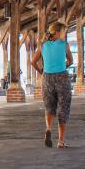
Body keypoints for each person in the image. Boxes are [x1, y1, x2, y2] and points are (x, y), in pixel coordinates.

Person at [31, 21, 73, 149]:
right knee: (63, 108)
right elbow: (71, 61)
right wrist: (63, 65)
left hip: (47, 78)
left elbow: (33, 62)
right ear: (58, 32)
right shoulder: (64, 44)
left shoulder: (43, 45)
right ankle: (61, 140)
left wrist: (42, 71)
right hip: (62, 77)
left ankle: (49, 128)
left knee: (49, 107)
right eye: (64, 32)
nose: (64, 34)